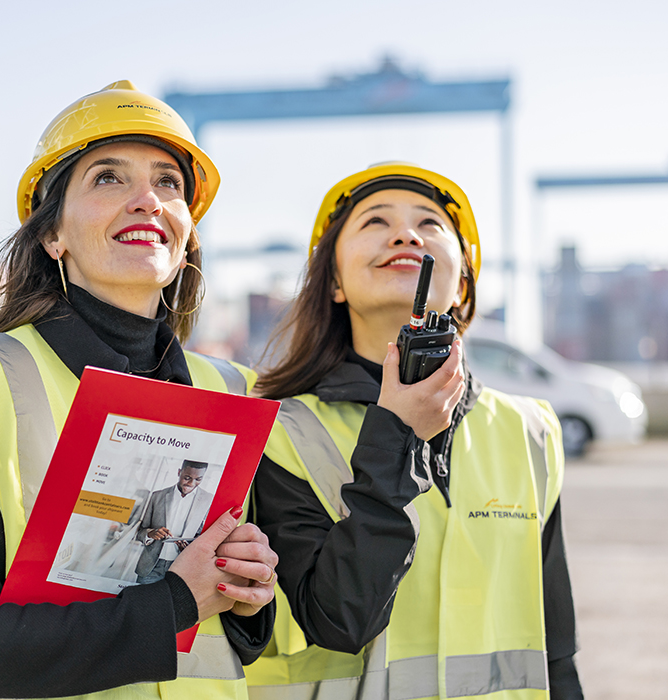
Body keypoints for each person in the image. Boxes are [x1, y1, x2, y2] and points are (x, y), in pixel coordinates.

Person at [0, 81, 279, 700]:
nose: (147, 199)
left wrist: (249, 589)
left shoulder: (230, 391)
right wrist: (175, 601)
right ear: (53, 236)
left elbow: (241, 638)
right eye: (108, 178)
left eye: (168, 182)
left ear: (185, 241)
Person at [244, 163, 583, 699]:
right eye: (376, 221)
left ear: (464, 282)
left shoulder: (531, 431)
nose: (405, 234)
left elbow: (556, 650)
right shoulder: (278, 432)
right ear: (333, 281)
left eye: (429, 223)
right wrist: (397, 430)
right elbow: (339, 620)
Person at [137, 460, 212, 584]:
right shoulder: (157, 496)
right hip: (150, 567)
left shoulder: (209, 501)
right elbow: (140, 531)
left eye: (198, 479)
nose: (191, 483)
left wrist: (191, 548)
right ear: (179, 472)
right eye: (187, 478)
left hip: (183, 568)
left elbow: (206, 536)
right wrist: (150, 534)